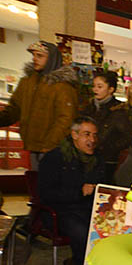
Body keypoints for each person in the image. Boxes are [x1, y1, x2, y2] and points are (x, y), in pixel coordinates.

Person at [37, 117, 104, 265]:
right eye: (86, 134)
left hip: (85, 209)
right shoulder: (55, 158)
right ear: (74, 135)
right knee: (82, 231)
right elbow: (46, 194)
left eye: (95, 135)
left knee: (105, 228)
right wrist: (78, 192)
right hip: (58, 212)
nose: (92, 140)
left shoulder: (97, 160)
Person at [0, 41, 78, 169]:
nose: (34, 59)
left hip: (51, 149)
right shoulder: (27, 82)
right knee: (36, 183)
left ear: (52, 59)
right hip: (33, 146)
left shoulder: (63, 87)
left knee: (46, 185)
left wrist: (50, 145)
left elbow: (66, 119)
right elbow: (14, 109)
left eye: (40, 56)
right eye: (34, 55)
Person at [81, 71, 131, 181]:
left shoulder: (118, 111)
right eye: (94, 86)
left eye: (100, 86)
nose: (95, 90)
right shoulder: (89, 107)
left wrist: (109, 148)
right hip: (84, 158)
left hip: (105, 161)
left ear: (111, 89)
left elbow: (127, 137)